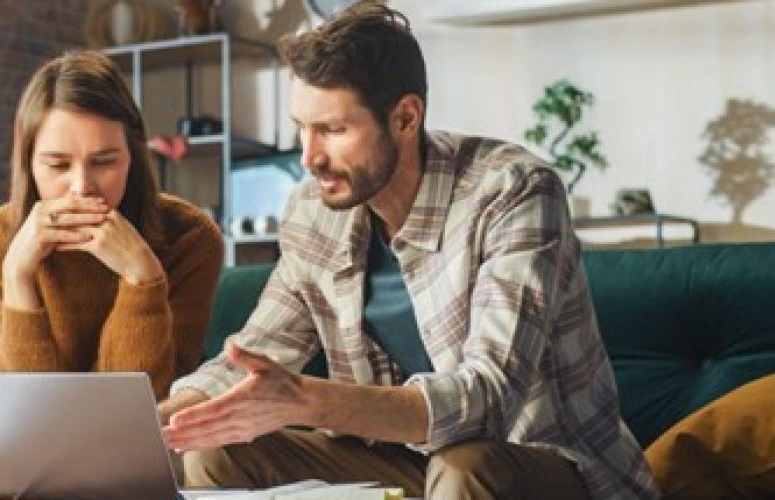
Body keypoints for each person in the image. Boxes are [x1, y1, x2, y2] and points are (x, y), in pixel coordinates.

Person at [157, 4, 657, 499]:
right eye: (301, 128)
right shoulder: (313, 210)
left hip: (543, 462)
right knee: (212, 449)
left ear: (404, 117)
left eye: (333, 130)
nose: (309, 158)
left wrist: (309, 401)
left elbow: (489, 399)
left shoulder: (514, 191)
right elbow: (262, 347)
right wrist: (164, 419)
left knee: (466, 468)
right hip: (408, 462)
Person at [0, 50, 224, 399]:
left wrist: (143, 279)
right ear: (29, 165)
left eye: (104, 162)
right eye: (57, 165)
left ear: (133, 158)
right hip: (32, 452)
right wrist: (17, 277)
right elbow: (22, 414)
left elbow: (140, 409)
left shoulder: (192, 237)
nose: (81, 185)